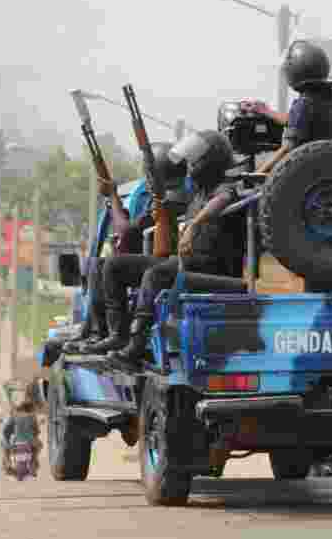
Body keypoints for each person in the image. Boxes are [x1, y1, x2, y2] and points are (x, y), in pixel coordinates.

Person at [100, 130, 244, 367]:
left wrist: (196, 224)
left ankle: (136, 345)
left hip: (213, 271)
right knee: (114, 266)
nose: (190, 165)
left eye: (195, 159)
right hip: (185, 264)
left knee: (156, 274)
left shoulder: (225, 189)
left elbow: (223, 200)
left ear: (209, 161)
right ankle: (118, 336)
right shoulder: (198, 194)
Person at [68, 143, 189, 354]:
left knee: (110, 265)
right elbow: (131, 234)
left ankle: (113, 334)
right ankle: (100, 333)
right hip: (170, 264)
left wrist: (112, 195)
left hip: (173, 266)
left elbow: (124, 231)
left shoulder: (168, 200)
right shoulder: (177, 196)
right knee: (101, 265)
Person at [253, 40, 332, 176]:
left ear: (293, 70)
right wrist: (266, 111)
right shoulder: (331, 101)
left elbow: (288, 148)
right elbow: (295, 120)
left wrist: (257, 173)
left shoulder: (304, 104)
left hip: (311, 174)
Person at [2, 400, 42, 476]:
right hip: (30, 442)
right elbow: (37, 432)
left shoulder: (14, 416)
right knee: (39, 446)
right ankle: (33, 462)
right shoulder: (32, 417)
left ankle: (7, 462)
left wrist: (7, 441)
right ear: (30, 409)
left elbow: (6, 431)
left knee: (5, 446)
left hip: (16, 441)